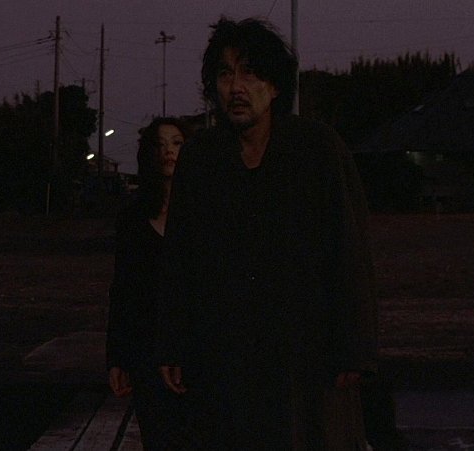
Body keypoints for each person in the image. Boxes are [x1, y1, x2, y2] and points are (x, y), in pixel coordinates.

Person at [155, 17, 378, 450]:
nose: (236, 87)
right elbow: (179, 258)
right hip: (224, 352)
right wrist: (172, 342)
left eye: (250, 73)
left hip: (304, 352)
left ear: (274, 86)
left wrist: (355, 347)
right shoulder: (201, 158)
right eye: (225, 74)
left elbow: (349, 249)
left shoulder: (317, 149)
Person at [105, 117, 192, 450]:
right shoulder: (133, 218)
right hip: (146, 351)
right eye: (160, 144)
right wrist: (117, 358)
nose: (168, 151)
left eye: (177, 143)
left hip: (195, 350)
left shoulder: (204, 213)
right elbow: (122, 290)